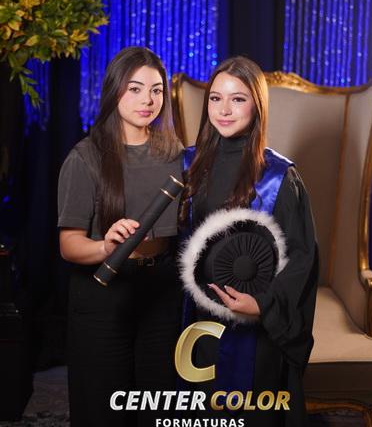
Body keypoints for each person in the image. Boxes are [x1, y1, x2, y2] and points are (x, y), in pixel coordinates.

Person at [179, 56, 318, 426]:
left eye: (237, 99)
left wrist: (262, 305)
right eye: (215, 98)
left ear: (257, 105)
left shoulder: (277, 178)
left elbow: (301, 258)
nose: (224, 110)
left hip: (253, 328)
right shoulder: (187, 166)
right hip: (196, 319)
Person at [58, 47, 183, 427]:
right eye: (135, 89)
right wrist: (105, 247)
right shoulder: (85, 157)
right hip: (103, 294)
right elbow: (69, 245)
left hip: (161, 292)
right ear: (114, 91)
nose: (148, 100)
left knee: (158, 407)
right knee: (104, 409)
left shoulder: (175, 154)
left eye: (156, 90)